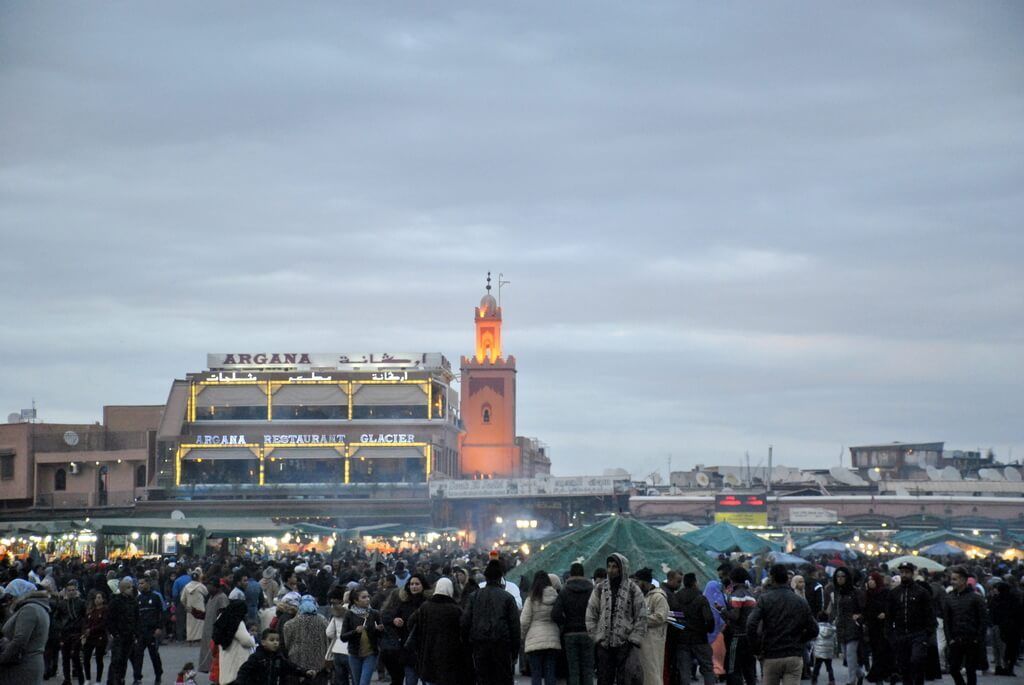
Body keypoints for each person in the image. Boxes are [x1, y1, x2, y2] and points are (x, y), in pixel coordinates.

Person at [747, 564, 819, 685]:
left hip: (771, 654)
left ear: (772, 578)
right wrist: (800, 640)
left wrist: (756, 648)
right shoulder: (800, 601)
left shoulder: (764, 599)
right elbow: (814, 629)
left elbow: (751, 624)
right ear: (787, 579)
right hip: (793, 654)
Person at [585, 553, 648, 685]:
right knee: (604, 680)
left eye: (614, 567)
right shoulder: (600, 588)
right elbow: (591, 614)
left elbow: (641, 616)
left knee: (625, 680)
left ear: (622, 568)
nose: (611, 570)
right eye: (609, 566)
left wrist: (632, 640)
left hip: (625, 645)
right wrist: (597, 636)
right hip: (604, 646)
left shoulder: (633, 590)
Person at [461, 559, 521, 685]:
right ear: (500, 578)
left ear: (486, 578)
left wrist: (467, 645)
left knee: (483, 679)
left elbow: (465, 622)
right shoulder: (508, 598)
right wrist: (515, 652)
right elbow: (515, 627)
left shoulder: (474, 596)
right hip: (502, 647)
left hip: (480, 646)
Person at [407, 577, 465, 685]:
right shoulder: (456, 609)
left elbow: (411, 623)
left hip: (428, 653)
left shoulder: (426, 607)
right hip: (450, 656)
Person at [885, 563, 934, 685]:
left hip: (918, 633)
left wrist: (927, 632)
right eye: (902, 572)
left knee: (916, 660)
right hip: (901, 634)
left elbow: (929, 613)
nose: (904, 575)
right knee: (904, 665)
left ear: (912, 574)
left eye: (907, 572)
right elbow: (889, 615)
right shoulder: (894, 593)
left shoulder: (921, 592)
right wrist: (890, 633)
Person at [0, 578, 51, 685]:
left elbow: (20, 640)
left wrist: (3, 658)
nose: (9, 601)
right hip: (29, 663)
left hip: (23, 667)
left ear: (20, 594)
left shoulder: (29, 609)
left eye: (11, 597)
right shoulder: (39, 608)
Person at [942, 566, 987, 685]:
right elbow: (947, 621)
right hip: (956, 639)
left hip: (972, 639)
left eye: (955, 579)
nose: (952, 582)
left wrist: (978, 639)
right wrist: (949, 639)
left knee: (970, 670)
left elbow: (983, 620)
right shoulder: (949, 598)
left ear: (963, 580)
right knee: (953, 669)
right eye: (951, 579)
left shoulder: (976, 598)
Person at [552, 562, 594, 685]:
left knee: (573, 670)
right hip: (588, 633)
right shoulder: (592, 590)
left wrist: (565, 623)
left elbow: (555, 614)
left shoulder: (565, 591)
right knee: (588, 670)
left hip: (570, 634)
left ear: (571, 574)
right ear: (583, 574)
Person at [381, 574, 428, 685]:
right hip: (408, 648)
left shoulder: (428, 603)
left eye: (417, 584)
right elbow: (387, 617)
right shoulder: (404, 603)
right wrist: (395, 620)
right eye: (412, 584)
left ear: (423, 585)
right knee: (410, 680)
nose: (414, 586)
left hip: (425, 649)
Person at [234, 629, 317, 685]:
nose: (275, 643)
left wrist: (305, 672)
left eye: (277, 640)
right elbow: (244, 671)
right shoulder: (256, 657)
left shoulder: (279, 658)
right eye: (272, 640)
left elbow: (291, 667)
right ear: (263, 642)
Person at [521, 571, 562, 685]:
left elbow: (524, 621)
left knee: (536, 674)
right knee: (550, 673)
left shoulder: (532, 598)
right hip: (553, 639)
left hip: (534, 641)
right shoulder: (556, 597)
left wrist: (522, 636)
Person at [675, 572, 715, 685]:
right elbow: (709, 618)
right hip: (700, 638)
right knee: (707, 669)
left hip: (682, 639)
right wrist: (707, 630)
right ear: (694, 583)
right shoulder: (701, 598)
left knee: (684, 670)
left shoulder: (677, 597)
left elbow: (673, 617)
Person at [828, 568, 864, 685]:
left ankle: (851, 680)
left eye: (842, 576)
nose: (840, 578)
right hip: (840, 626)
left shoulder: (856, 592)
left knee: (850, 653)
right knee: (846, 656)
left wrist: (859, 616)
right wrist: (832, 619)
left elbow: (864, 608)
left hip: (853, 626)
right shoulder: (835, 593)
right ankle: (859, 673)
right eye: (838, 576)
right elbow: (833, 609)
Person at [283, 595, 330, 684]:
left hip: (297, 663)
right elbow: (328, 641)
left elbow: (287, 644)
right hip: (319, 664)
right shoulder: (324, 621)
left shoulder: (289, 624)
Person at [342, 587, 383, 685]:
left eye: (368, 596)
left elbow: (381, 635)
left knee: (363, 683)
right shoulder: (349, 614)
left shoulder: (374, 613)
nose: (367, 599)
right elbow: (343, 637)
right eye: (364, 597)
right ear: (356, 601)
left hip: (370, 654)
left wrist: (379, 630)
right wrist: (355, 631)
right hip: (354, 654)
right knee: (356, 682)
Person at [722, 568, 757, 685]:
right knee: (749, 669)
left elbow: (735, 616)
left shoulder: (736, 595)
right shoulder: (750, 595)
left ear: (732, 579)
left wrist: (722, 610)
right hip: (749, 637)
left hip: (736, 636)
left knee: (733, 669)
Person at [635, 568, 668, 685]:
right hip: (641, 642)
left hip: (653, 642)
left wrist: (640, 620)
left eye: (637, 582)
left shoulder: (658, 597)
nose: (635, 585)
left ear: (645, 582)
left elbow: (660, 617)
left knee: (652, 673)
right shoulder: (640, 597)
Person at [215, 599, 256, 685]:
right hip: (237, 661)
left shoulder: (222, 618)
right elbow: (246, 641)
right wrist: (253, 639)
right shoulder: (236, 622)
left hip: (226, 658)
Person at [54, 580, 87, 685]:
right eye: (69, 590)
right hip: (65, 634)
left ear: (76, 591)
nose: (71, 592)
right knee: (65, 657)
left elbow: (85, 617)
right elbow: (56, 618)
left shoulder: (81, 602)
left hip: (77, 634)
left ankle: (80, 678)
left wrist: (83, 630)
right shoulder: (62, 604)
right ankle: (67, 679)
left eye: (73, 590)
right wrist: (60, 628)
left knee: (76, 657)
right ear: (66, 592)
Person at [106, 578, 139, 685]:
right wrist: (115, 633)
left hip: (129, 635)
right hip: (119, 635)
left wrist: (136, 633)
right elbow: (110, 619)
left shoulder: (133, 601)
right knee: (116, 660)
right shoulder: (115, 602)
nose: (131, 589)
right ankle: (112, 681)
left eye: (131, 587)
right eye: (128, 587)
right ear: (122, 589)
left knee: (124, 659)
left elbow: (136, 618)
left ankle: (121, 679)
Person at [134, 575, 165, 685]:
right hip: (141, 632)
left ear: (148, 583)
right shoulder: (138, 599)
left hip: (152, 631)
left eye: (142, 583)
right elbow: (135, 616)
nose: (140, 585)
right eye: (139, 583)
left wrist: (159, 628)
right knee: (138, 655)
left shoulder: (155, 597)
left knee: (154, 655)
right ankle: (137, 678)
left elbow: (161, 613)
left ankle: (158, 675)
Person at [862, 572, 891, 684]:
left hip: (884, 627)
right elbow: (865, 609)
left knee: (882, 651)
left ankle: (881, 674)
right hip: (873, 627)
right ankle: (878, 675)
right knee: (875, 651)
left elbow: (890, 606)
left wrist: (885, 614)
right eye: (869, 579)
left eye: (872, 579)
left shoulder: (885, 592)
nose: (870, 581)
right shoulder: (867, 594)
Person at [325, 589, 352, 685]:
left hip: (337, 650)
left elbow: (329, 632)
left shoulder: (336, 612)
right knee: (355, 678)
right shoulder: (358, 612)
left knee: (341, 680)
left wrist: (337, 635)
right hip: (351, 651)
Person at [82, 590, 109, 685]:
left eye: (99, 598)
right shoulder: (90, 610)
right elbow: (86, 621)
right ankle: (88, 678)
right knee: (86, 657)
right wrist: (85, 630)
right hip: (89, 637)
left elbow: (103, 624)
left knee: (99, 658)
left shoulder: (105, 610)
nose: (97, 600)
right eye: (96, 598)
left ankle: (98, 680)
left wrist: (91, 629)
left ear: (103, 599)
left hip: (100, 636)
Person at [181, 570, 208, 646]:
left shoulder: (186, 587)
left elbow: (182, 599)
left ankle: (190, 639)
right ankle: (199, 639)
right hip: (200, 608)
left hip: (190, 609)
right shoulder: (201, 586)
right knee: (199, 624)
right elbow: (206, 593)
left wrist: (186, 606)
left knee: (190, 625)